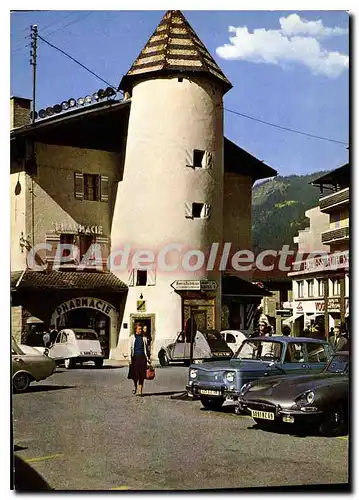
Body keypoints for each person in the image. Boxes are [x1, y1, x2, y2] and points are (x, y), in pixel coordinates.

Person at [128, 323, 150, 396]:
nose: (141, 330)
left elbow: (146, 349)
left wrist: (148, 359)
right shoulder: (131, 338)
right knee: (134, 375)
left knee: (141, 375)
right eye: (139, 329)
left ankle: (140, 391)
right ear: (136, 329)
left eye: (141, 329)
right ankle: (135, 386)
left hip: (142, 358)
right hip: (135, 358)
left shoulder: (144, 338)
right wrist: (129, 359)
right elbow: (129, 349)